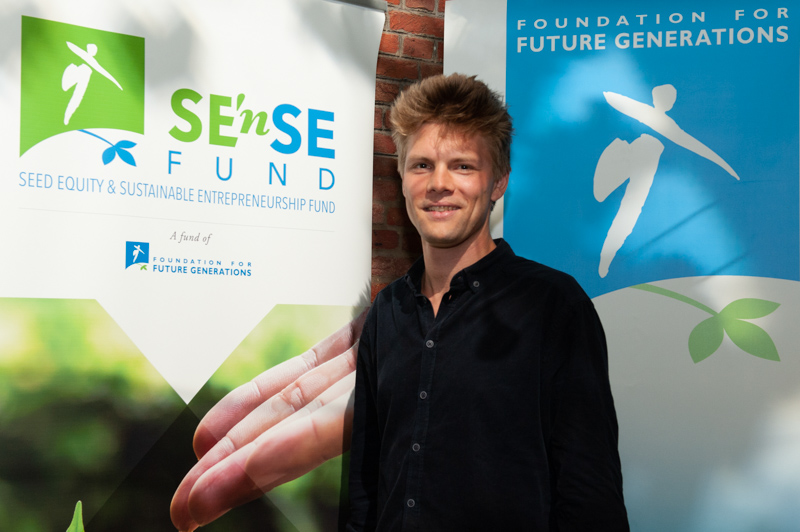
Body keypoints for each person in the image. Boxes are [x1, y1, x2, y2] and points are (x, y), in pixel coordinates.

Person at [346, 73, 629, 531]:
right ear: (401, 178)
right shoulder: (388, 311)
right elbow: (366, 484)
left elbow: (589, 493)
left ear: (497, 183)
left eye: (462, 166)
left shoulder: (554, 306)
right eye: (421, 165)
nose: (439, 184)